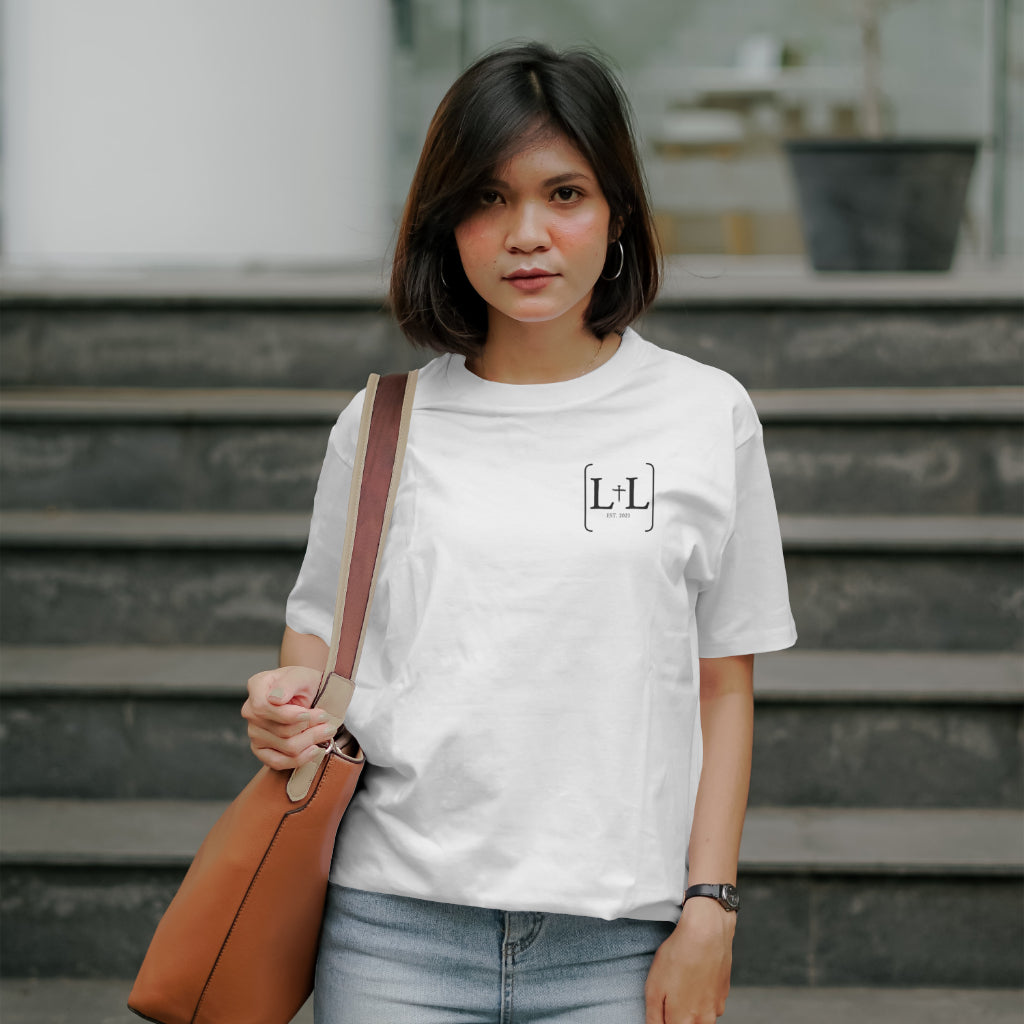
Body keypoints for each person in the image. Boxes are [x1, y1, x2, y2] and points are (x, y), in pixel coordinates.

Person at [242, 42, 797, 1024]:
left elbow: (724, 686)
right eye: (489, 199)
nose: (527, 234)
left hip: (620, 943)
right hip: (390, 933)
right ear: (444, 221)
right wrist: (286, 702)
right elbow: (319, 633)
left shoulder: (706, 415)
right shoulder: (379, 425)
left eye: (565, 193)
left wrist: (708, 908)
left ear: (618, 212)